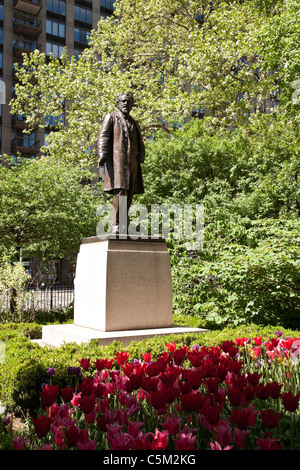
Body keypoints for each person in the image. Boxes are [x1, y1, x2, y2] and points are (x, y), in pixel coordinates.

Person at [97, 92, 145, 234]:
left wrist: (142, 153)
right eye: (123, 101)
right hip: (118, 161)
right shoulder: (111, 117)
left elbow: (140, 142)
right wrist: (102, 154)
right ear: (117, 103)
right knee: (120, 191)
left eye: (128, 102)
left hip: (133, 162)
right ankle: (116, 225)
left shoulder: (134, 122)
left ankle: (124, 224)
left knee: (129, 192)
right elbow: (104, 136)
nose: (125, 104)